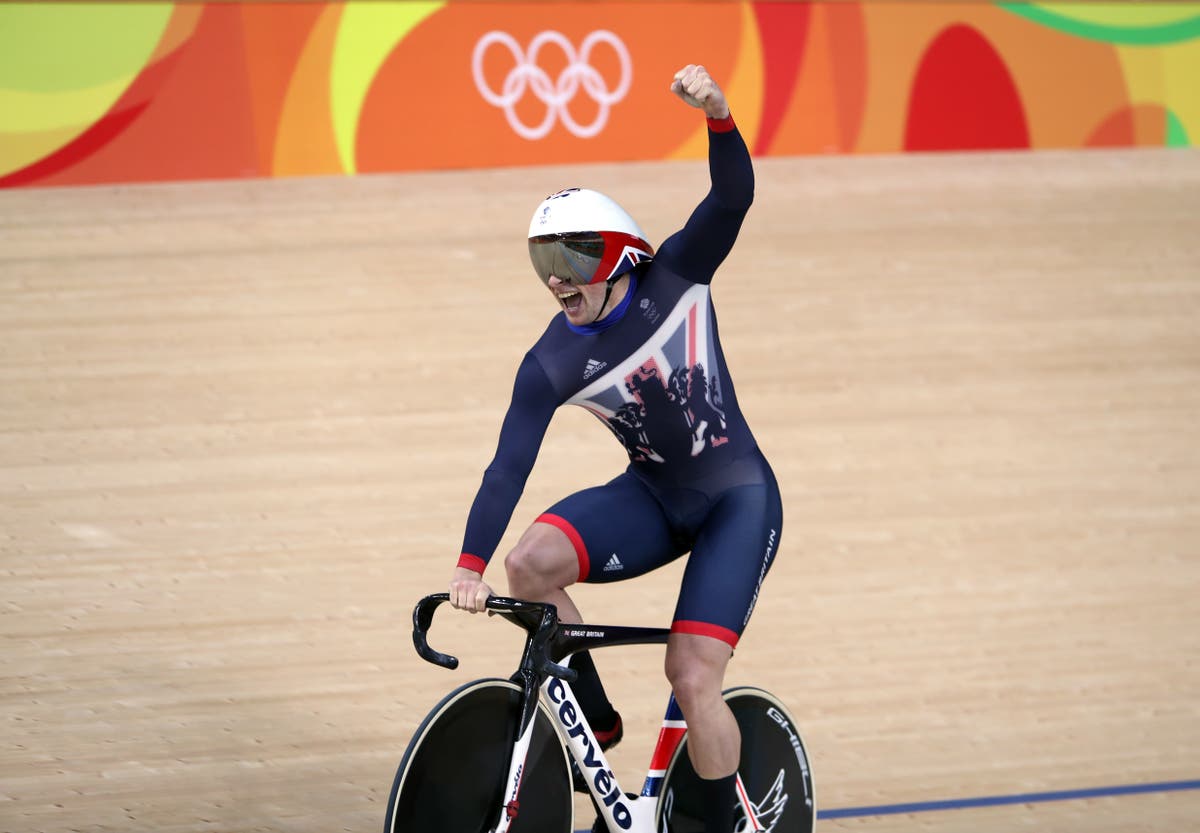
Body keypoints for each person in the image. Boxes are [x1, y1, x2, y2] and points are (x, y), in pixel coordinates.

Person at [448, 64, 782, 833]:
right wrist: (468, 564)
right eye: (543, 265)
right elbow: (508, 466)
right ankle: (594, 722)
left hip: (737, 498)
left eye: (570, 262)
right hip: (656, 497)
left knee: (694, 674)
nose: (557, 282)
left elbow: (731, 199)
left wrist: (721, 117)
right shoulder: (551, 362)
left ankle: (733, 820)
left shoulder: (677, 272)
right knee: (528, 566)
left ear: (619, 255)